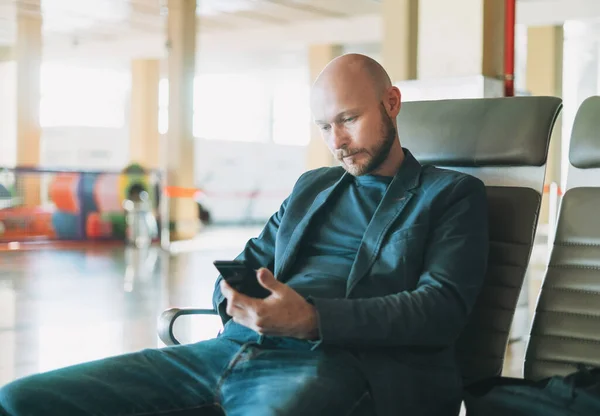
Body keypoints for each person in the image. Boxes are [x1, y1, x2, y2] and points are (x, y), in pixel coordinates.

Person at [0, 53, 489, 416]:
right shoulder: (312, 187)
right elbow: (249, 260)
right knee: (22, 401)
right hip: (233, 349)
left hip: (340, 363)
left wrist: (313, 320)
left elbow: (440, 310)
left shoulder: (450, 195)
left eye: (348, 119)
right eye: (324, 127)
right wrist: (235, 301)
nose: (336, 142)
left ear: (391, 103)